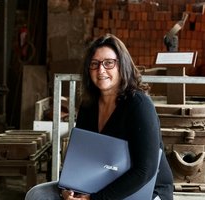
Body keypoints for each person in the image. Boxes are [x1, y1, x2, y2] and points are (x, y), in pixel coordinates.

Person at [25, 33, 174, 200]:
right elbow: (79, 155)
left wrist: (95, 199)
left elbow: (145, 170)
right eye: (94, 64)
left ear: (122, 65)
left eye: (108, 63)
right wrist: (68, 188)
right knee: (37, 194)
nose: (101, 70)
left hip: (142, 189)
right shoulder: (89, 106)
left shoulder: (139, 105)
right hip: (98, 182)